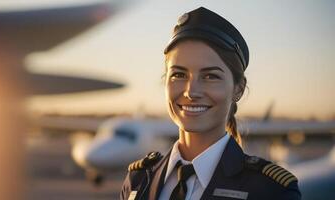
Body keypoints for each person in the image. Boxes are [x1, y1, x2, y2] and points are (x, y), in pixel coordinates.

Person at [120, 7, 301, 200]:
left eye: (210, 76)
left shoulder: (270, 190)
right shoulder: (138, 180)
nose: (191, 91)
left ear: (238, 89)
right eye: (179, 74)